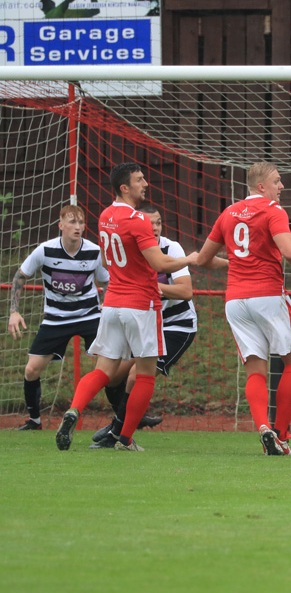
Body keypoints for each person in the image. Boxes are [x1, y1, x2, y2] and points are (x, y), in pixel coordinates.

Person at [55, 163, 199, 452]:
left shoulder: (106, 215)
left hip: (111, 304)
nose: (145, 183)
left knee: (103, 370)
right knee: (144, 375)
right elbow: (159, 264)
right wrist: (190, 259)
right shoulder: (138, 220)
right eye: (139, 179)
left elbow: (108, 263)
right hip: (140, 305)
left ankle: (73, 410)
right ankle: (125, 439)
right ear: (124, 187)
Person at [197, 161, 291, 456]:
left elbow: (202, 260)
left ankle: (263, 427)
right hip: (268, 295)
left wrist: (234, 263)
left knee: (255, 370)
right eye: (277, 181)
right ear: (261, 186)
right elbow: (289, 251)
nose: (282, 186)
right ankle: (282, 436)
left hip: (236, 300)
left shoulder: (228, 213)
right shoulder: (273, 211)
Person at [89, 205, 217, 448]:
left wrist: (156, 289)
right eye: (150, 224)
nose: (155, 228)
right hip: (145, 322)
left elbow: (186, 291)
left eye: (158, 223)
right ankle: (127, 418)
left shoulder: (171, 248)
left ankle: (117, 432)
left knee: (137, 376)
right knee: (113, 376)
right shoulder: (129, 249)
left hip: (176, 325)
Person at [8, 205, 109, 430]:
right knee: (31, 370)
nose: (78, 227)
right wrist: (14, 312)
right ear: (60, 225)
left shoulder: (94, 251)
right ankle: (34, 421)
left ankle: (121, 423)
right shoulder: (44, 251)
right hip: (56, 318)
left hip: (90, 315)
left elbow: (108, 282)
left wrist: (110, 312)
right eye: (72, 222)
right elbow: (19, 276)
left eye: (81, 222)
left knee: (114, 366)